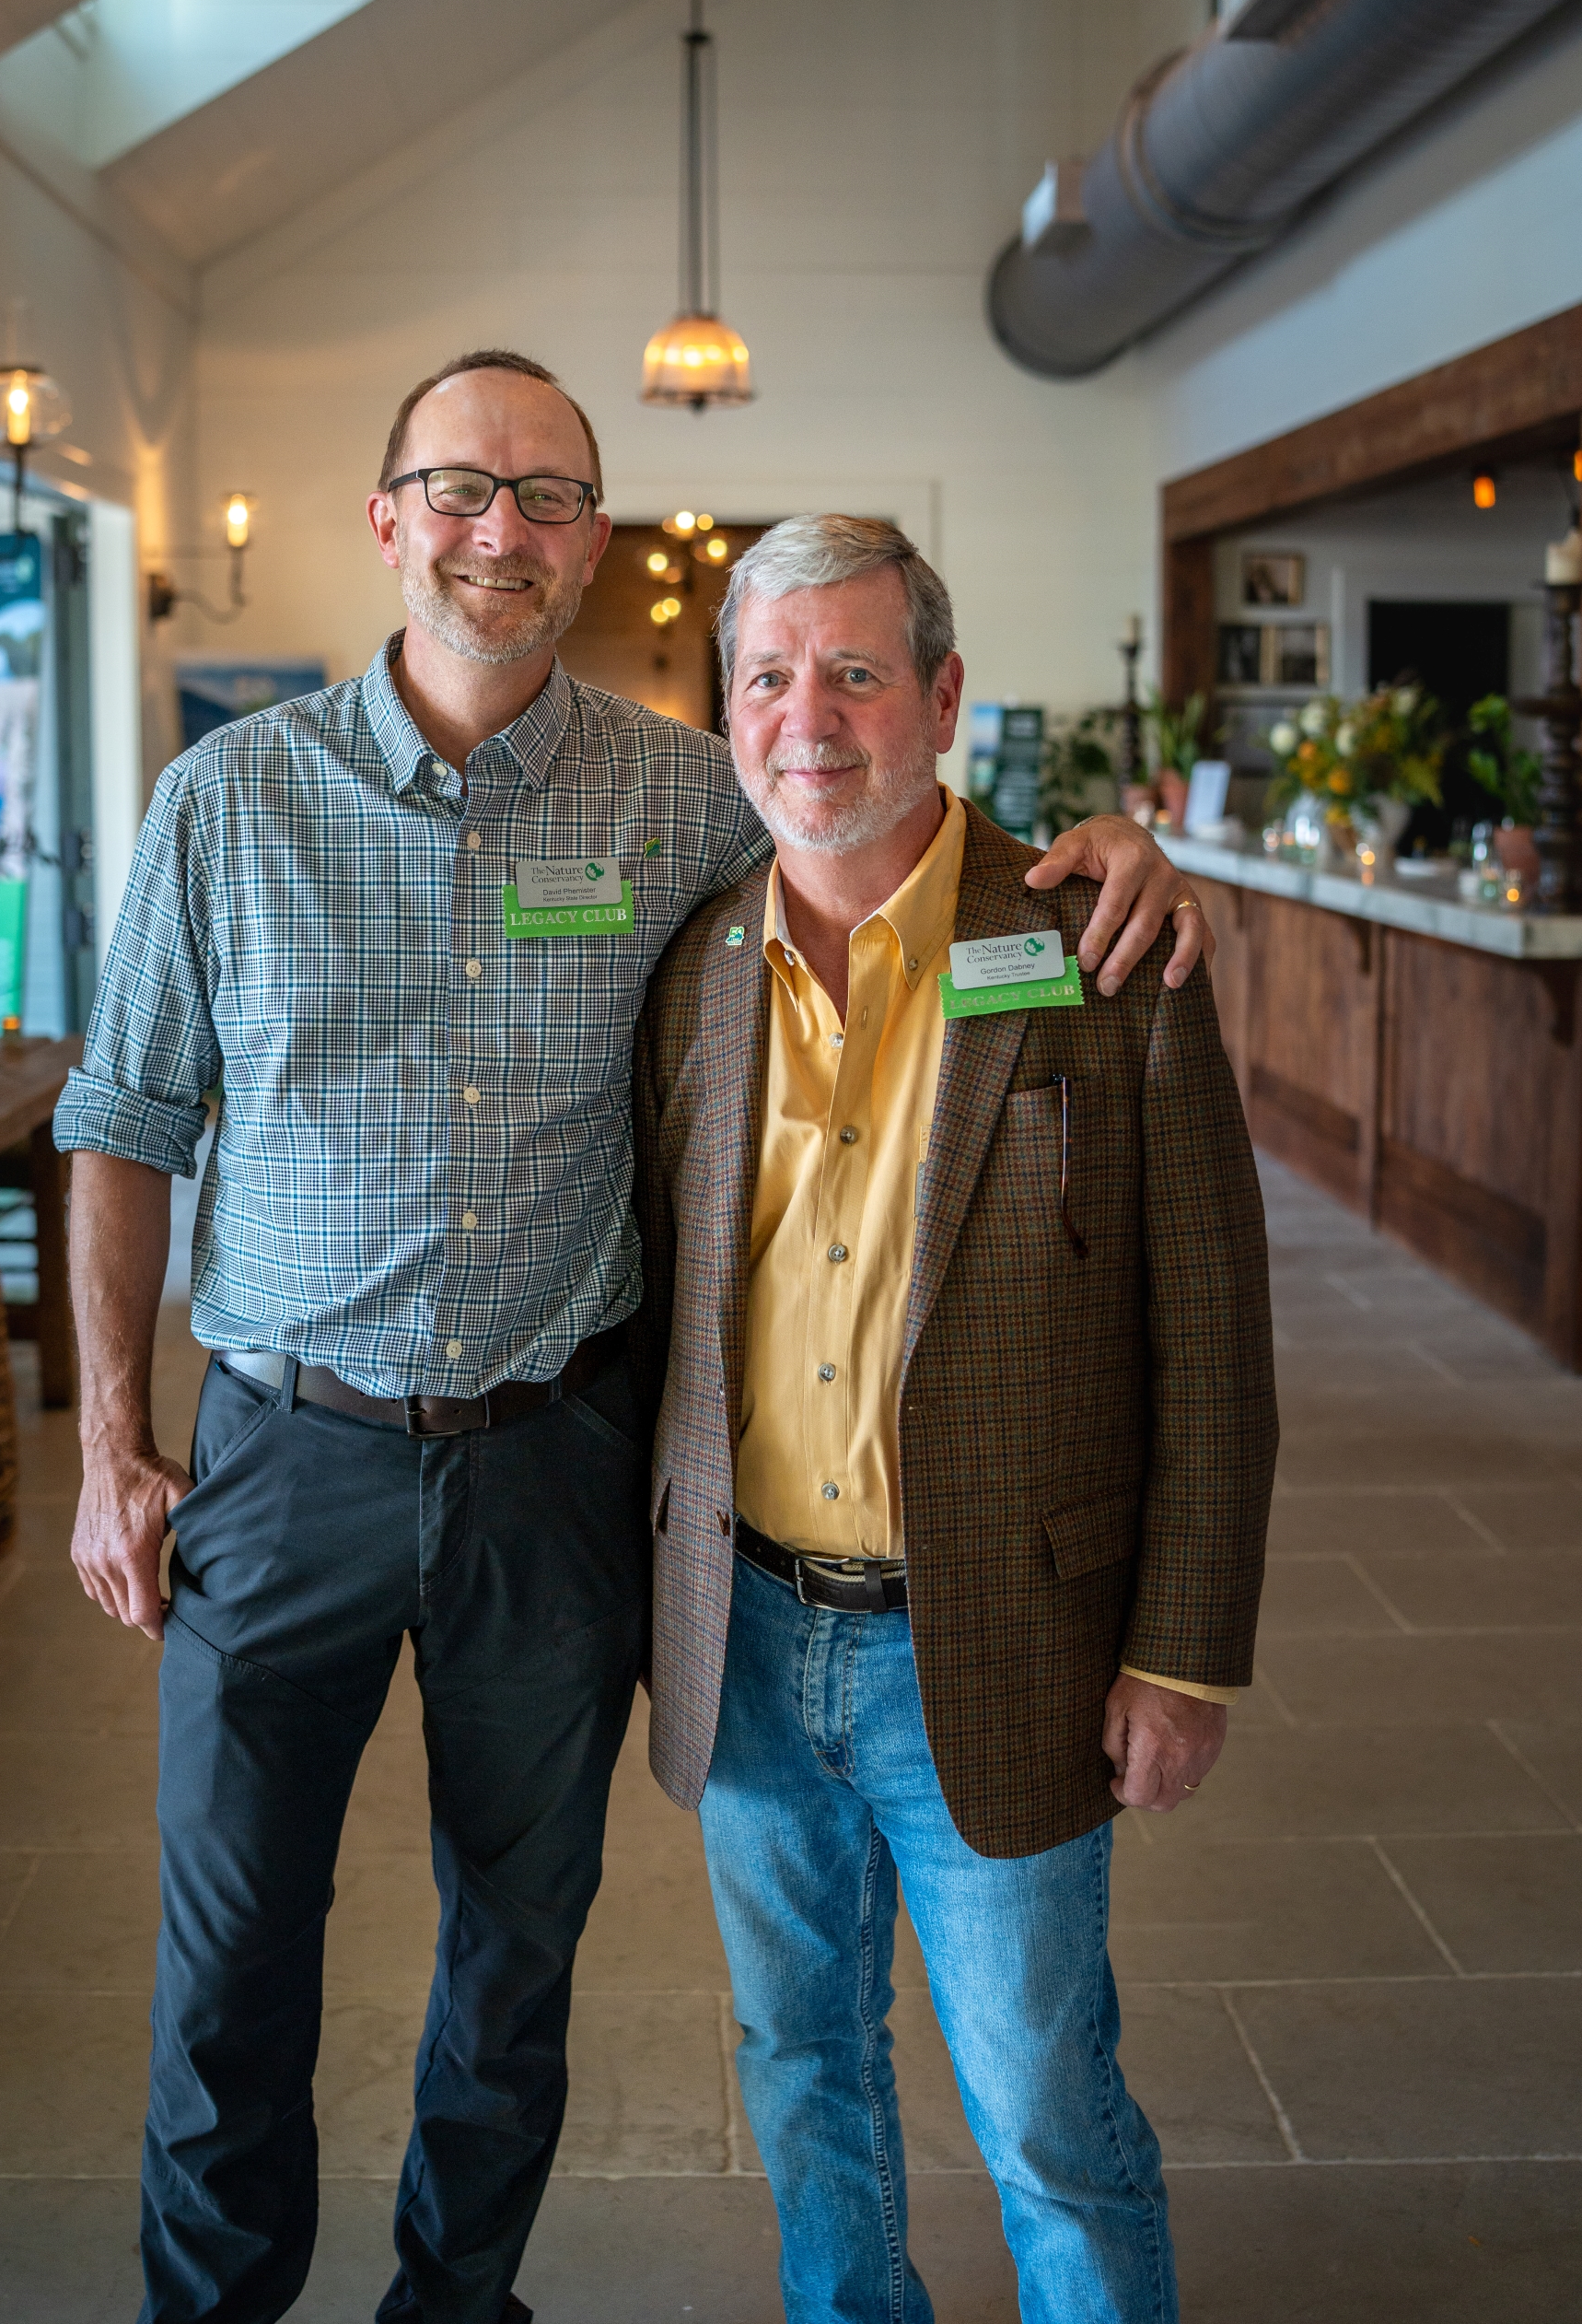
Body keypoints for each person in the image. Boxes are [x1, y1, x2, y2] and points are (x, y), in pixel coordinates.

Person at [56, 355, 1216, 2324]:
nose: (498, 531)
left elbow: (878, 819)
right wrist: (110, 1442)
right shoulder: (223, 804)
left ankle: (459, 2303)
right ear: (386, 516)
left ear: (591, 538)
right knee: (230, 1959)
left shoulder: (687, 798)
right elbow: (123, 1121)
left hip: (552, 1466)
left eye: (545, 497)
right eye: (457, 489)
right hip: (282, 1458)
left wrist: (1090, 853)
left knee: (518, 1953)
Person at [633, 514, 1276, 2324]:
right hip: (747, 1641)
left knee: (1048, 2116)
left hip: (1001, 1643)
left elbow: (1208, 1337)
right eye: (766, 675)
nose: (806, 718)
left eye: (852, 671)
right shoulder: (686, 966)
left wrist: (1183, 1654)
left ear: (942, 697)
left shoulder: (1093, 944)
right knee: (800, 2071)